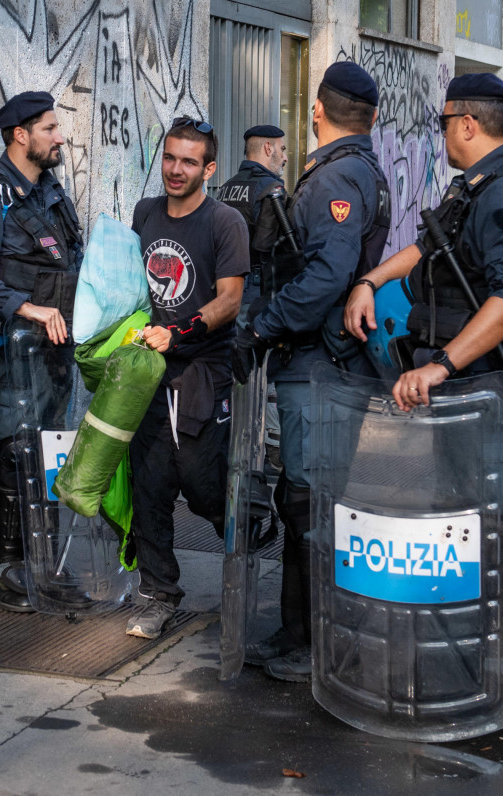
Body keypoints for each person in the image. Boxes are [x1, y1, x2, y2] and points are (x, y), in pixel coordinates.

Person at [230, 62, 391, 682]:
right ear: (372, 117)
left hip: (322, 363)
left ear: (316, 111)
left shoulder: (338, 178)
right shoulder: (354, 168)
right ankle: (299, 631)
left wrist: (261, 326)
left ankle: (318, 644)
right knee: (303, 496)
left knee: (311, 504)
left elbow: (326, 276)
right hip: (323, 361)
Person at [345, 72, 503, 404]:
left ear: (467, 125)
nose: (442, 132)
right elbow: (429, 248)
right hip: (481, 379)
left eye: (443, 122)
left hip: (500, 388)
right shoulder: (484, 185)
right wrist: (369, 282)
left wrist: (441, 365)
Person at [0, 91, 83, 613]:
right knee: (15, 448)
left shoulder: (52, 193)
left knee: (48, 452)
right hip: (18, 348)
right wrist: (26, 309)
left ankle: (43, 558)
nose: (59, 137)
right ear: (20, 137)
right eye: (49, 129)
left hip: (58, 350)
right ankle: (5, 566)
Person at [126, 117, 249, 639]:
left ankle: (241, 547)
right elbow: (128, 286)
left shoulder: (225, 223)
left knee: (201, 486)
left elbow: (230, 300)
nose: (176, 170)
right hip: (147, 370)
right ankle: (159, 594)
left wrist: (179, 332)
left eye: (189, 162)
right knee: (149, 482)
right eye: (170, 158)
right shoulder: (145, 213)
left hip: (202, 371)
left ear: (209, 168)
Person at [215, 124, 287, 301]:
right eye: (282, 149)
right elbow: (274, 250)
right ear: (268, 148)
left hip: (222, 286)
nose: (285, 157)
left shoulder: (225, 188)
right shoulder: (271, 189)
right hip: (258, 292)